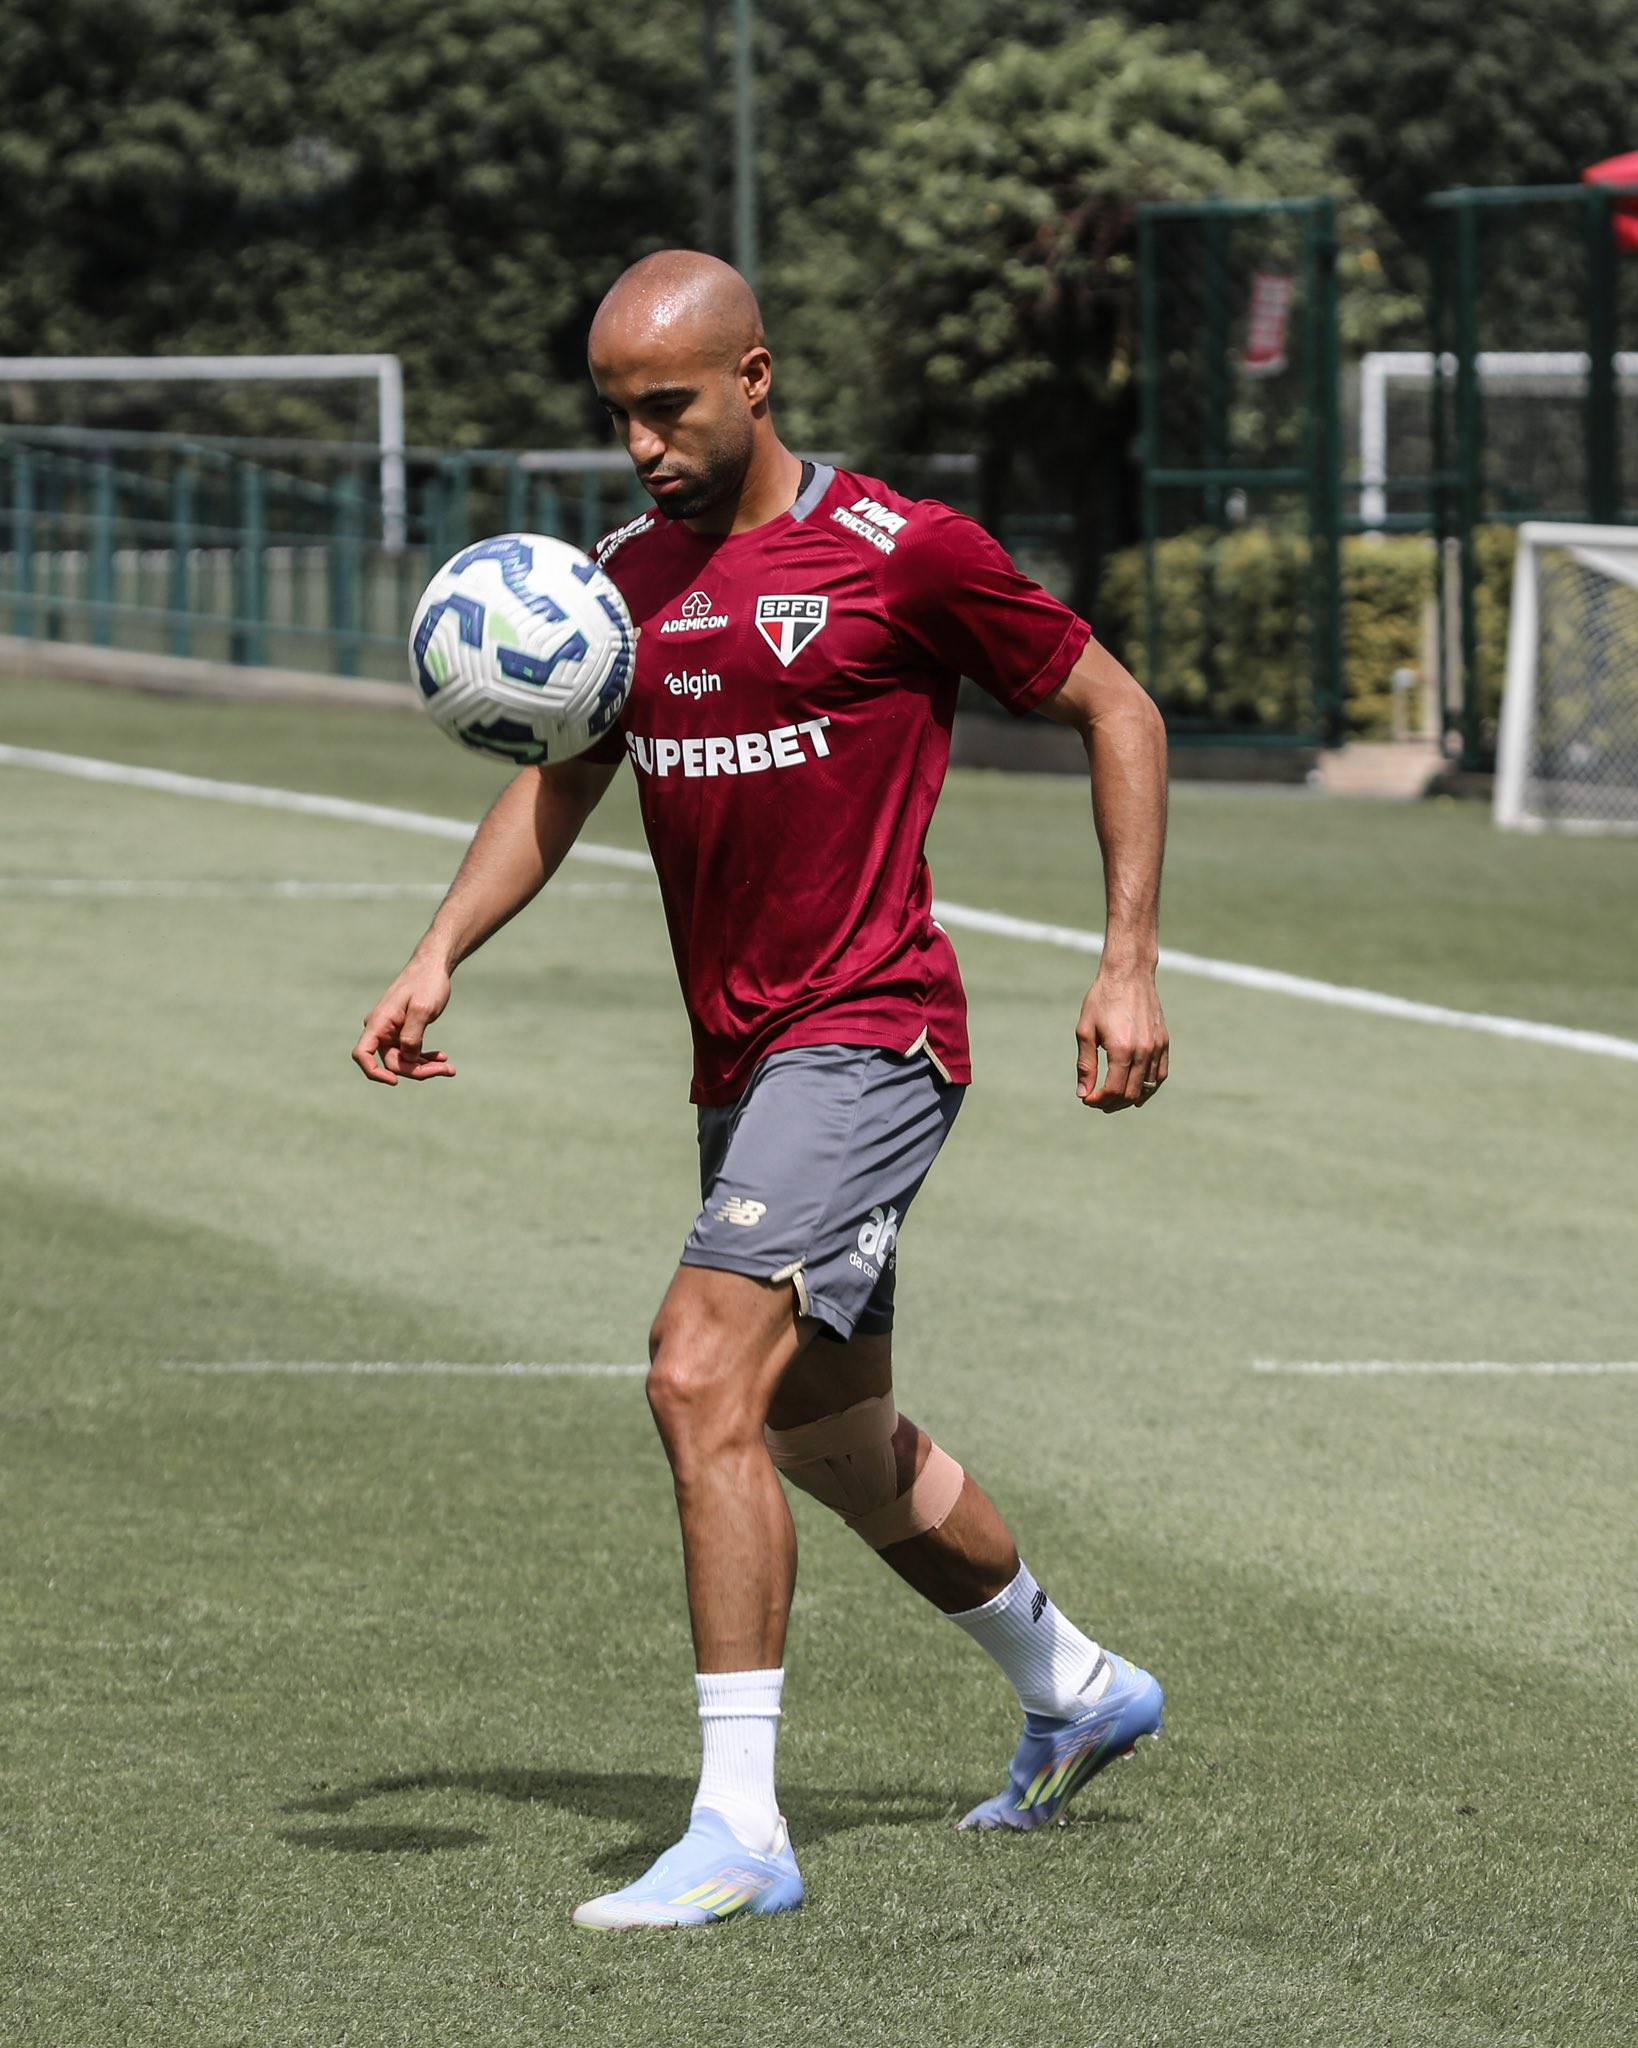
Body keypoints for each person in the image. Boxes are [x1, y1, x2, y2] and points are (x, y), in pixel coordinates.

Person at [353, 250, 1170, 1931]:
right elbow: (562, 779)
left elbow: (1114, 702)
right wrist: (439, 951)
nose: (643, 445)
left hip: (872, 1037)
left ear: (755, 378)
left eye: (667, 407)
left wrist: (1126, 959)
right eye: (616, 417)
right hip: (743, 1064)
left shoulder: (900, 553)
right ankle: (1076, 1683)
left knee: (694, 1370)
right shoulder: (623, 581)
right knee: (827, 1434)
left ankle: (741, 1830)